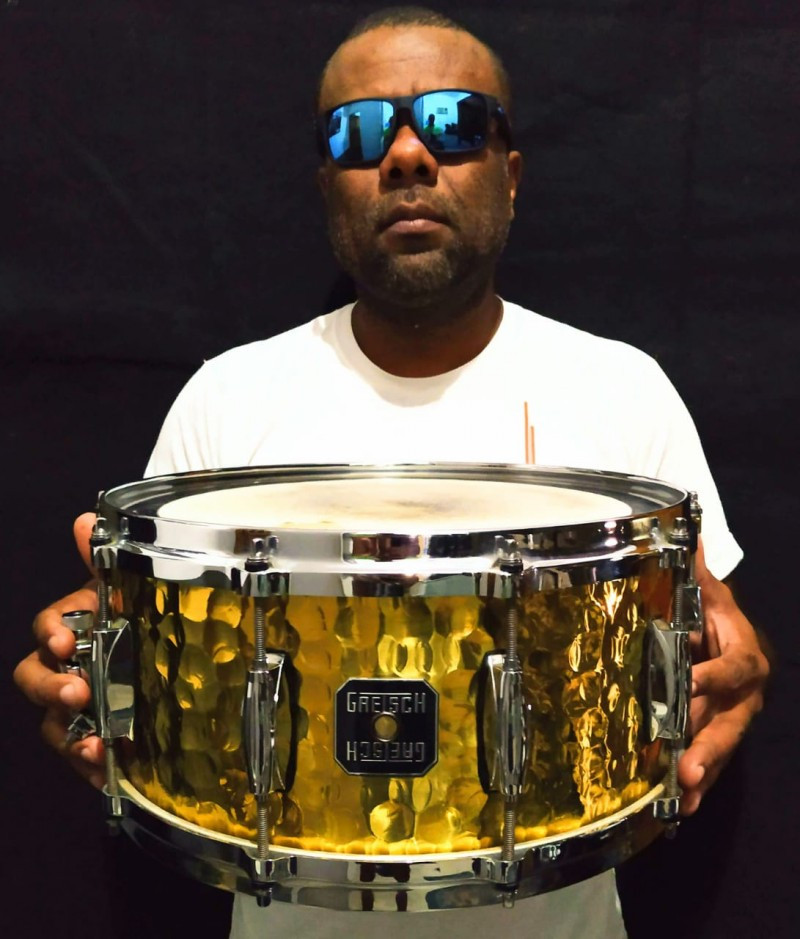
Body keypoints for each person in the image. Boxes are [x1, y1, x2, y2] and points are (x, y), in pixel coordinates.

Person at [14, 6, 768, 939]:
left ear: (510, 174)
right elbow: (147, 635)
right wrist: (92, 666)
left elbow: (714, 632)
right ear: (327, 185)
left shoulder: (624, 389)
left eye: (454, 122)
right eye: (359, 132)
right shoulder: (227, 398)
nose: (407, 155)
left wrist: (737, 673)